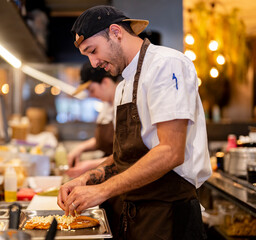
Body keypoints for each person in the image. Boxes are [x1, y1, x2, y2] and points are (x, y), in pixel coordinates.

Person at [57, 5, 212, 240]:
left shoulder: (166, 65)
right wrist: (88, 177)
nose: (94, 63)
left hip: (169, 216)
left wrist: (103, 190)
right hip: (136, 216)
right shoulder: (123, 86)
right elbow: (125, 157)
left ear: (116, 32)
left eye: (93, 50)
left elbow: (171, 151)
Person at [67, 62, 119, 178]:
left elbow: (127, 154)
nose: (91, 95)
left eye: (92, 90)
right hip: (109, 171)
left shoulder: (124, 105)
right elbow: (106, 140)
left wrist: (91, 165)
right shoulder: (107, 105)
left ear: (105, 82)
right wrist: (80, 148)